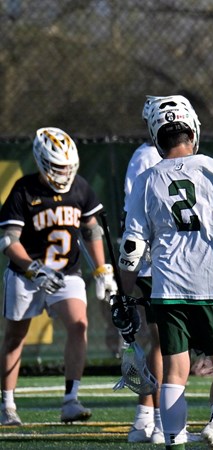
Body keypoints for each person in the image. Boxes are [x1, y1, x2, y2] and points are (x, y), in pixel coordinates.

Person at [114, 95, 213, 450]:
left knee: (175, 370)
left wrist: (123, 294)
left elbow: (132, 249)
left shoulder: (148, 179)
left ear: (156, 136)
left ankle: (173, 439)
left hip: (167, 286)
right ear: (193, 130)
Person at [0, 127, 117, 425]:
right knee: (15, 337)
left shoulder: (79, 188)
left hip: (66, 271)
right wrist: (32, 269)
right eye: (58, 166)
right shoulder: (24, 190)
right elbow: (8, 241)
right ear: (41, 160)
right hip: (26, 273)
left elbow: (91, 229)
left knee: (79, 325)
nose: (64, 172)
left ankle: (70, 400)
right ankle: (7, 405)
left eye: (68, 166)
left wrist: (102, 269)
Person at [122, 95, 167, 444]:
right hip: (159, 261)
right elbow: (140, 215)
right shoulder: (147, 157)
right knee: (164, 339)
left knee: (161, 339)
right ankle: (155, 419)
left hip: (162, 260)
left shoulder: (151, 157)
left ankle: (146, 419)